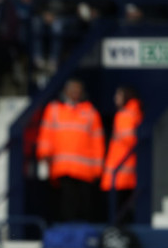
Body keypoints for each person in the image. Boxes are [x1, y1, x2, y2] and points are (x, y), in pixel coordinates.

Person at [36, 79, 105, 223]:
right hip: (62, 169)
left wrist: (98, 169)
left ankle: (82, 237)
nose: (75, 92)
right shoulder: (54, 109)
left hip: (85, 171)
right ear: (65, 91)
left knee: (85, 206)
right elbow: (46, 135)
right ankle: (66, 235)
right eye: (72, 89)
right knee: (65, 205)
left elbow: (98, 143)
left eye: (78, 89)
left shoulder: (91, 113)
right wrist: (43, 156)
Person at [100, 87, 142, 226]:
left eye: (118, 95)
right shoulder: (135, 113)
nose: (115, 98)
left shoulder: (124, 115)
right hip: (127, 169)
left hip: (121, 169)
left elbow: (129, 140)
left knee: (119, 208)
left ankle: (119, 232)